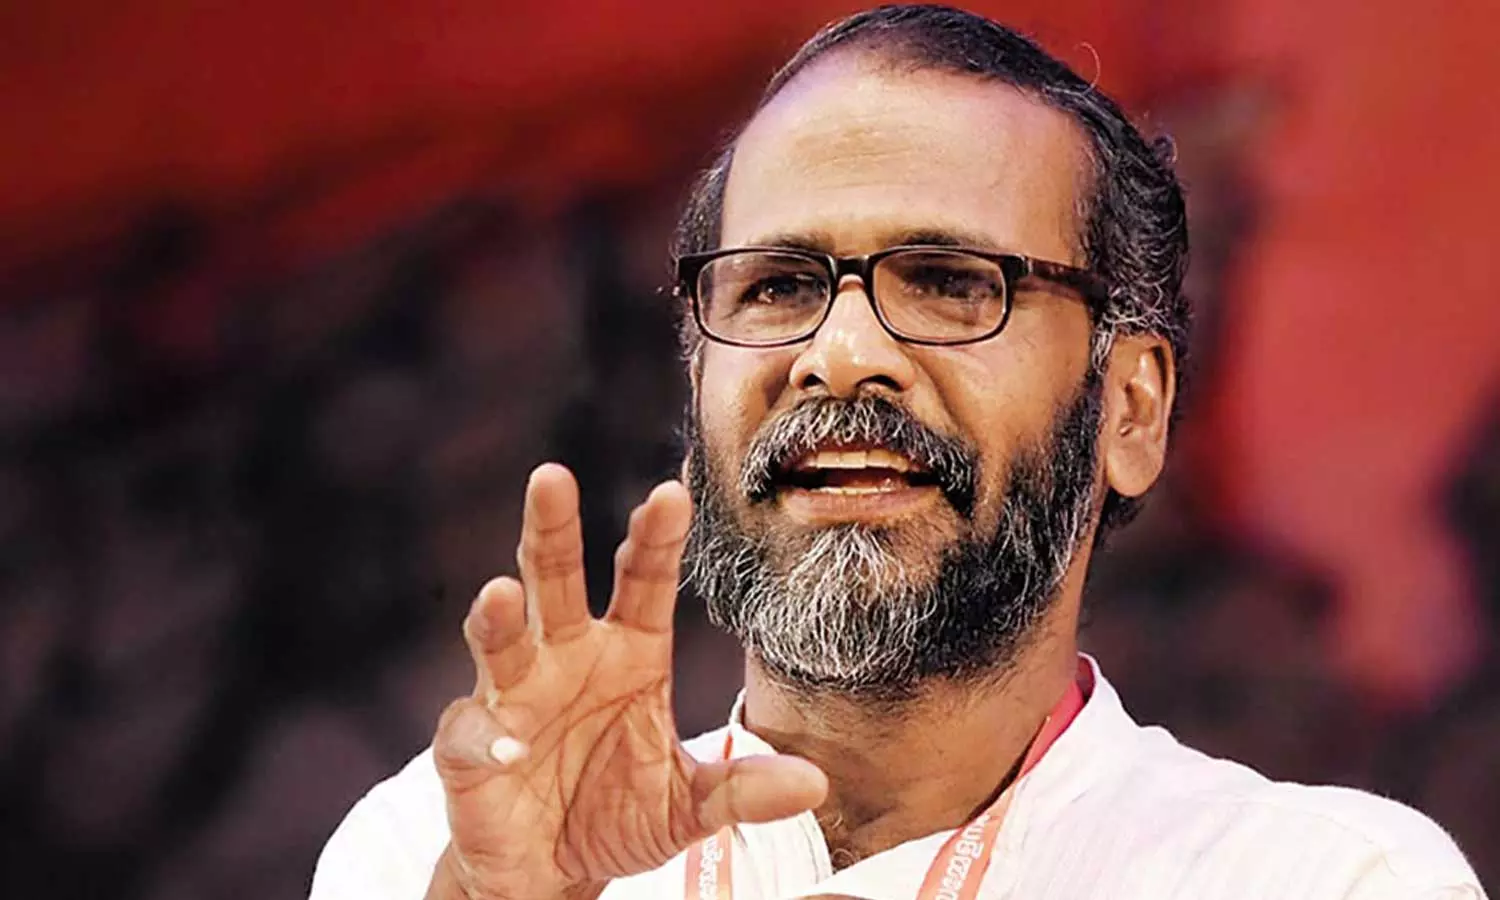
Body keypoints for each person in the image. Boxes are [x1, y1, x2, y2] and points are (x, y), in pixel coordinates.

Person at [310, 6, 1486, 899]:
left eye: (949, 282)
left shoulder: (1322, 881)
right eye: (777, 286)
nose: (839, 356)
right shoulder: (449, 848)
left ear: (1130, 409)